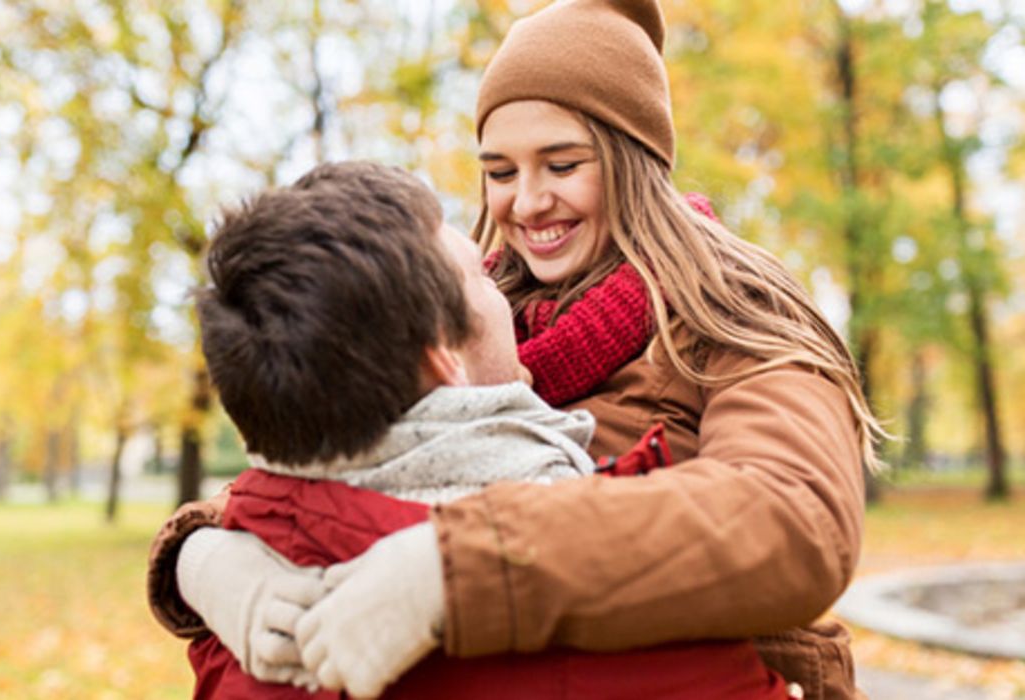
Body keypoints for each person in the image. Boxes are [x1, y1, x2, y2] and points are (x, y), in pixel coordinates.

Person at [148, 1, 878, 698]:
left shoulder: (732, 308)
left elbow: (796, 519)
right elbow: (334, 443)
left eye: (562, 166)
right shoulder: (467, 307)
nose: (526, 203)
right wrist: (203, 557)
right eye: (500, 172)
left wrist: (456, 569)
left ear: (633, 159)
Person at [177, 160, 791, 699]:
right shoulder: (637, 636)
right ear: (444, 354)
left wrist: (192, 557)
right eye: (481, 276)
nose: (506, 283)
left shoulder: (232, 623)